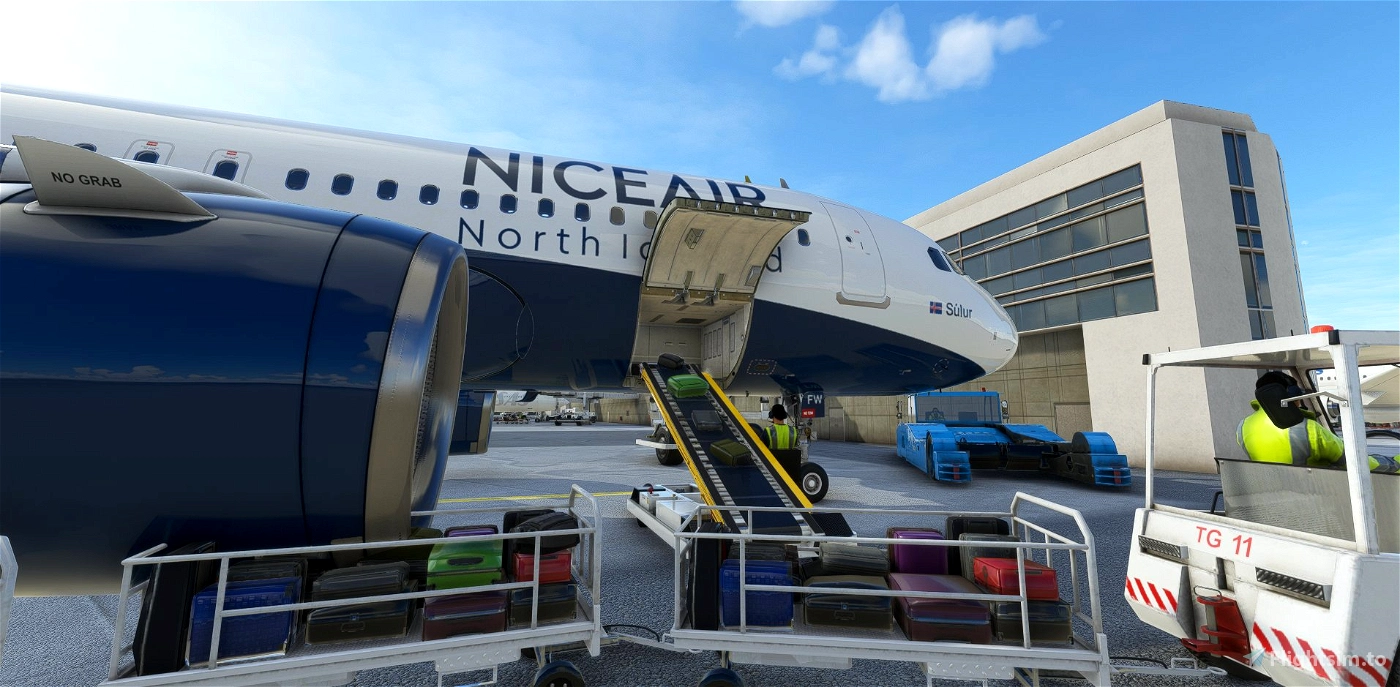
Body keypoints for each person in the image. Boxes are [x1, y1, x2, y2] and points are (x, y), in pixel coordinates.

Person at [1239, 371, 1398, 472]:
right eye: (1298, 393)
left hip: (1275, 497)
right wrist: (1394, 463)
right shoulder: (1307, 429)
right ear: (1289, 396)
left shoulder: (1243, 427)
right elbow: (1355, 463)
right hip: (1319, 498)